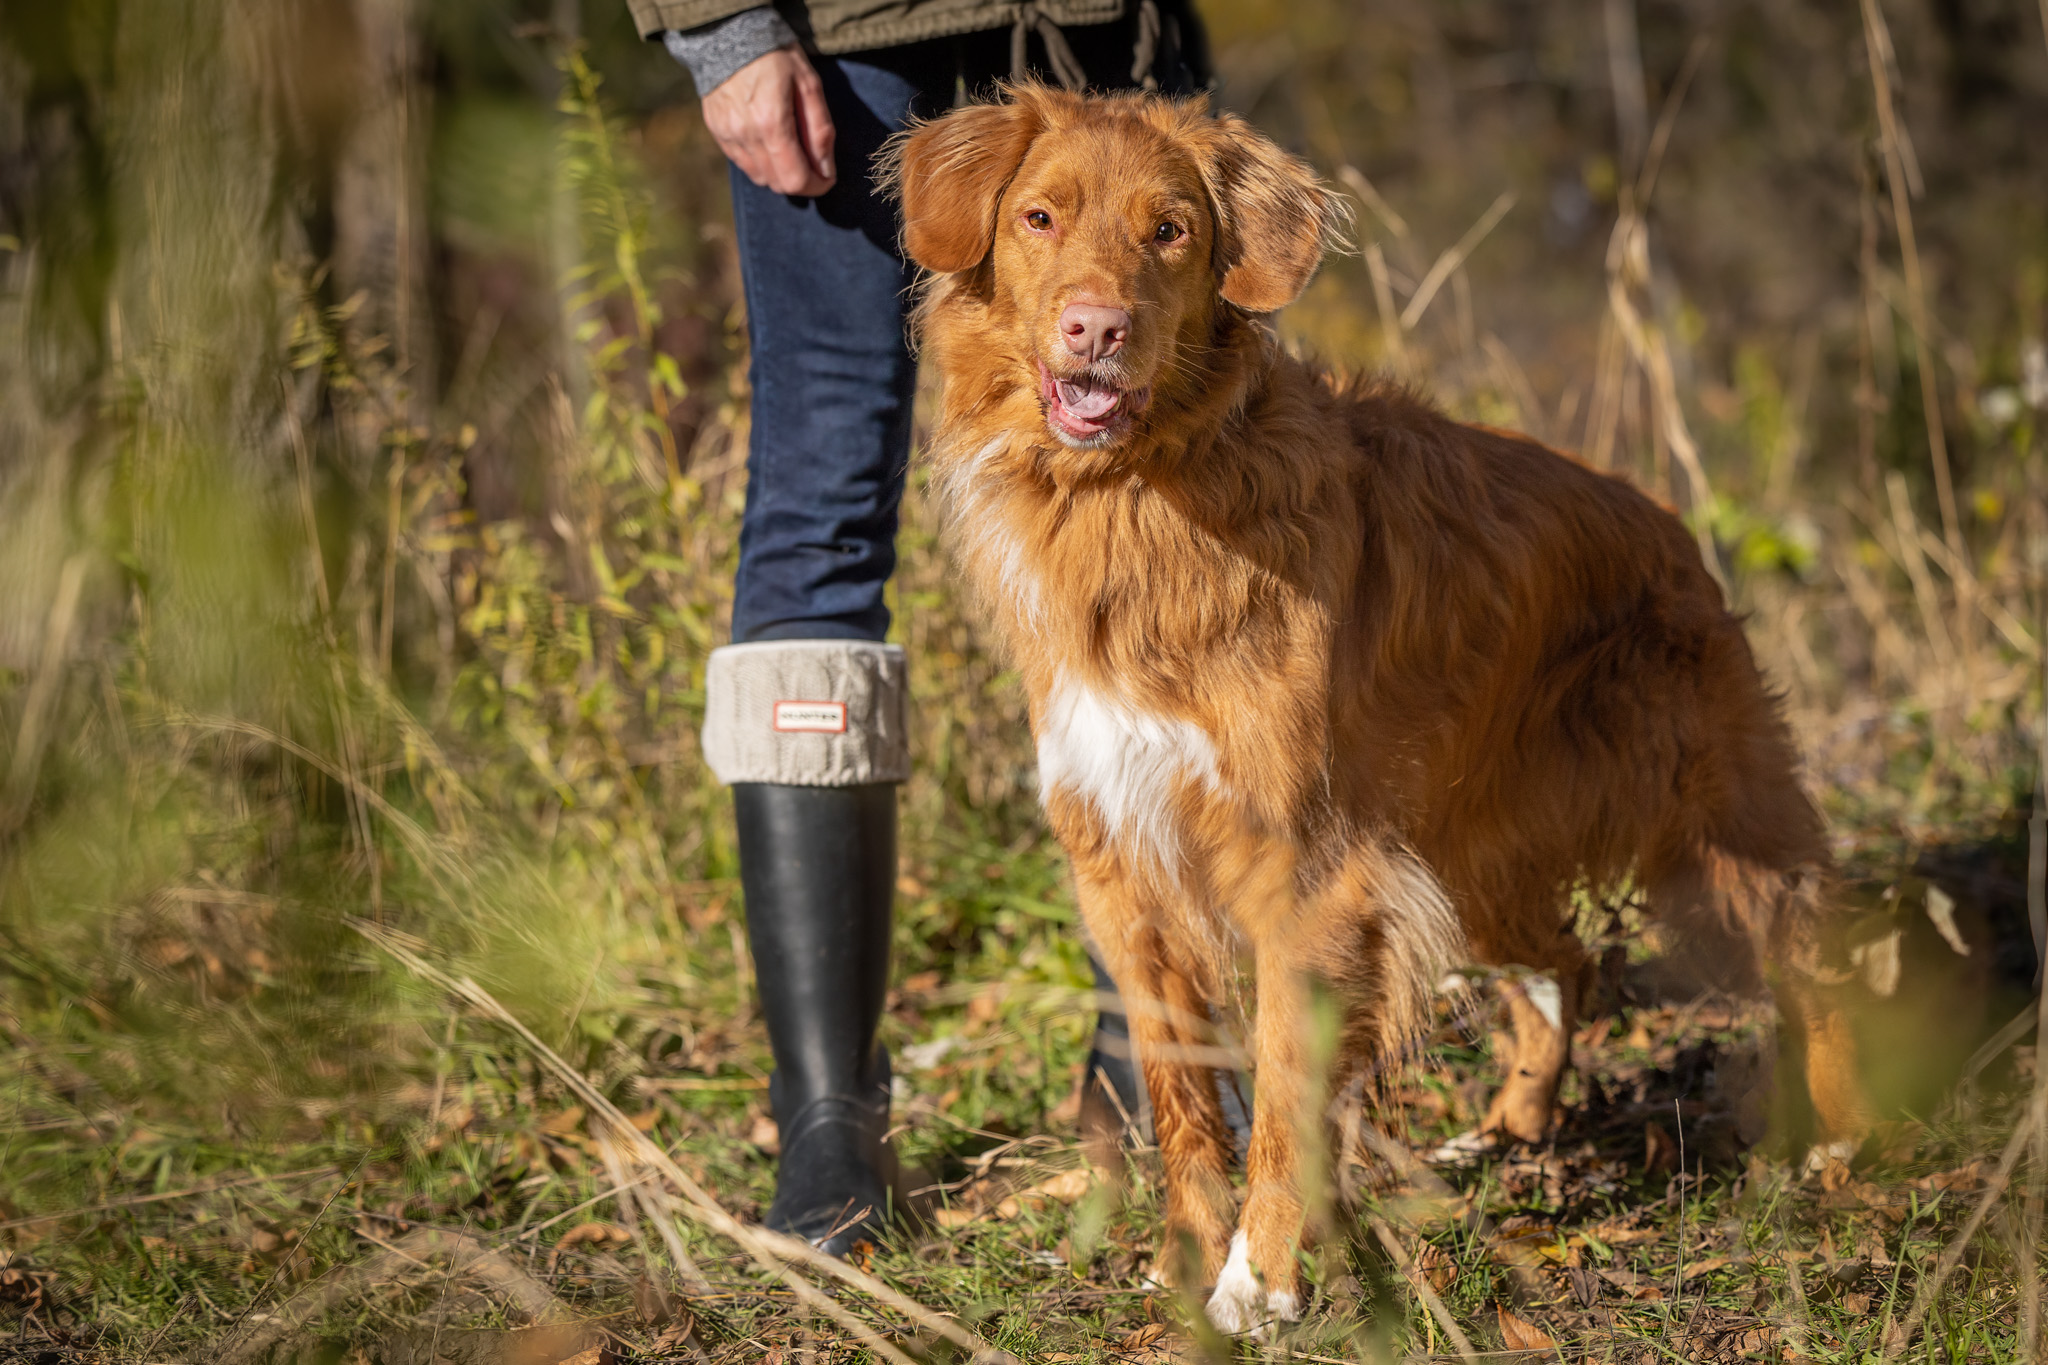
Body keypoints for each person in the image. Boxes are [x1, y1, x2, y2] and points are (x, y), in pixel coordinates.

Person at [625, 0, 1213, 1255]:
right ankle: (828, 1116)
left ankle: (1152, 1052)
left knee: (1182, 494)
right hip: (840, 43)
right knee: (823, 490)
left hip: (1111, 30)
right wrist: (721, 25)